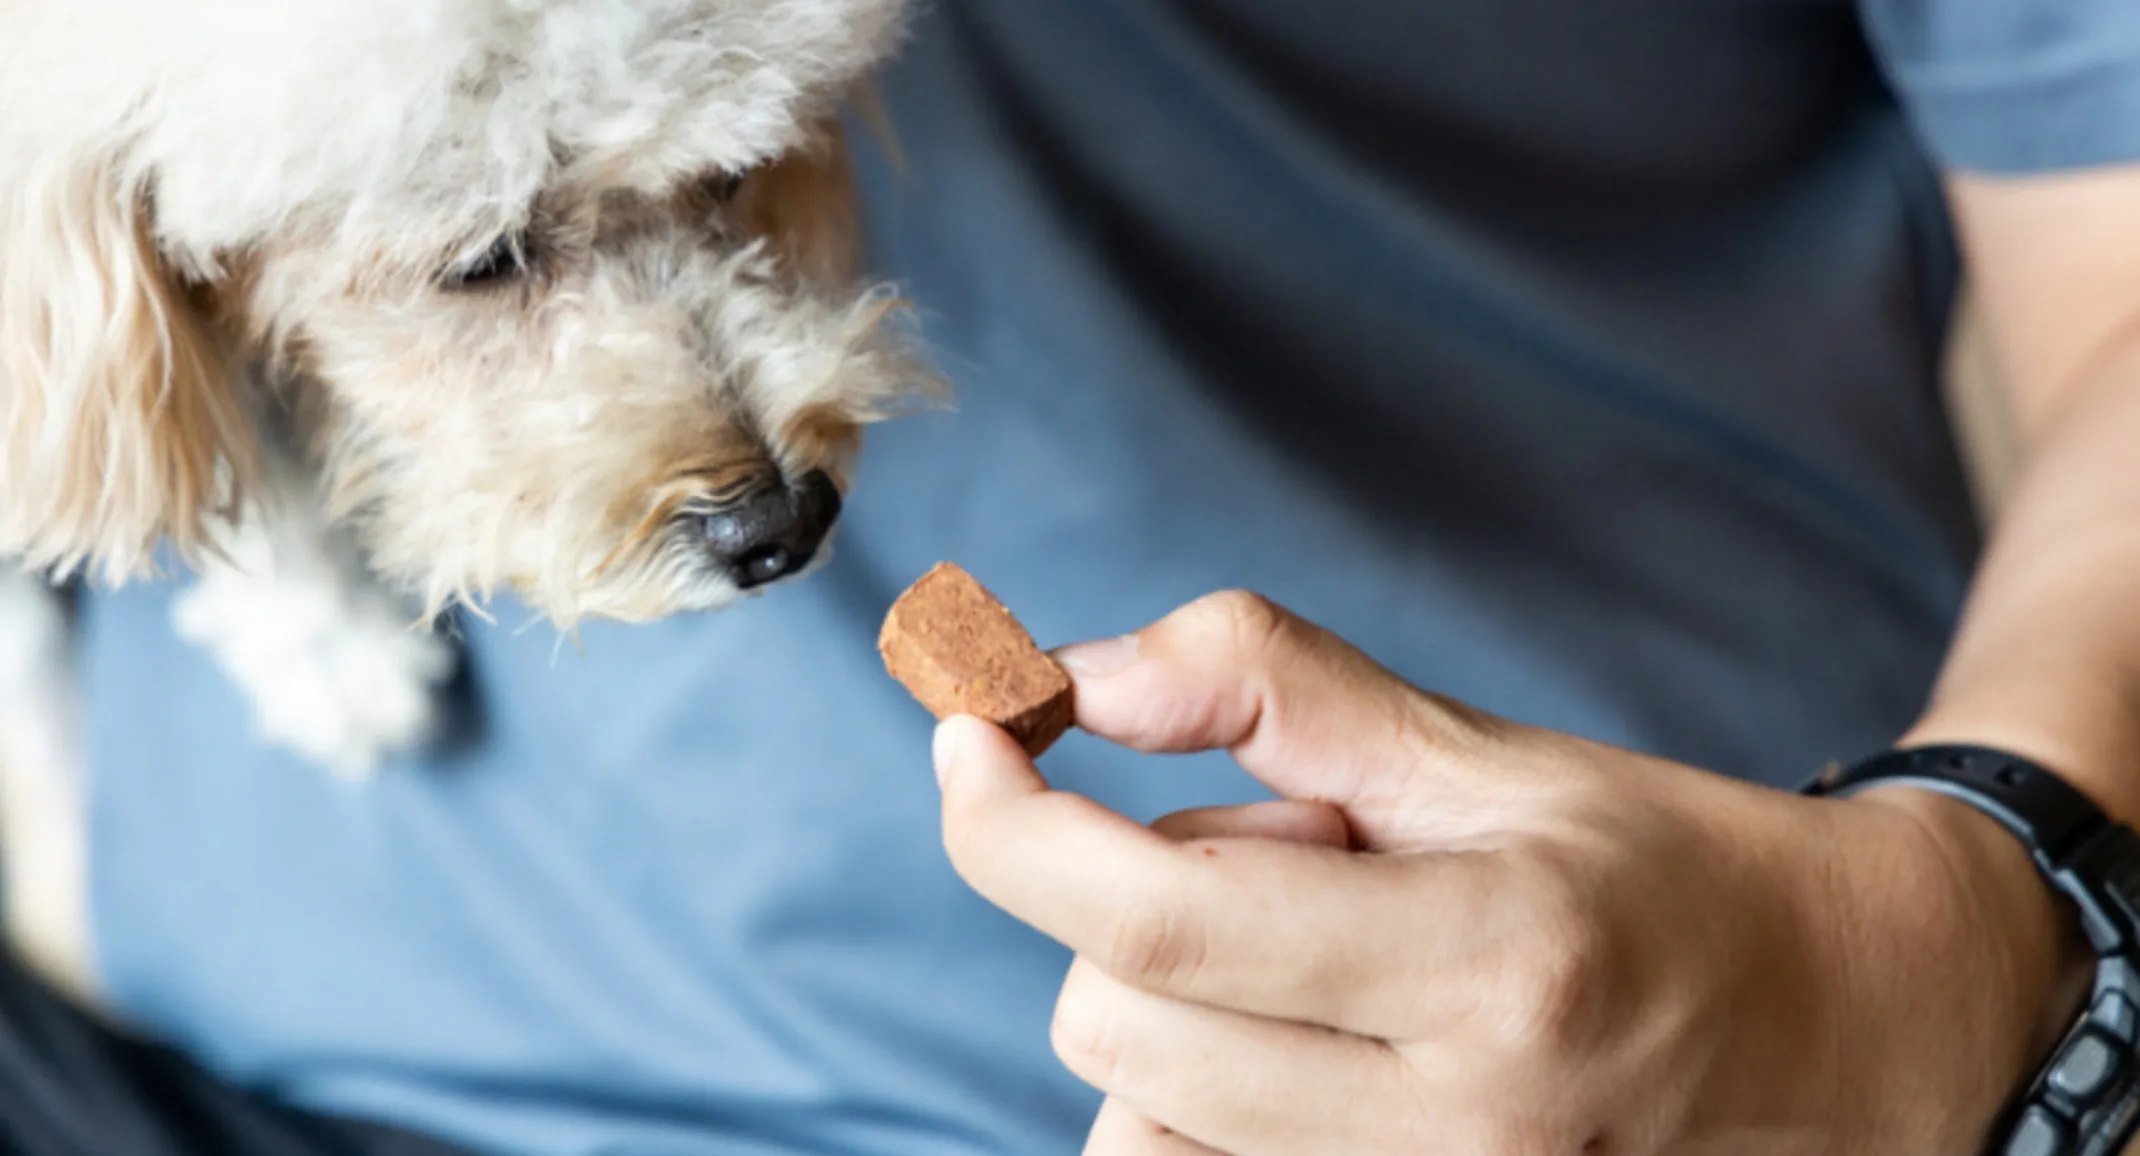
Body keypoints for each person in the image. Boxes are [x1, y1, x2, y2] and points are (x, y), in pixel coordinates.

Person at [10, 0, 2140, 1152]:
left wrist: (1974, 918)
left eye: (742, 173)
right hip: (213, 1055)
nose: (760, 468)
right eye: (486, 262)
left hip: (1551, 1079)